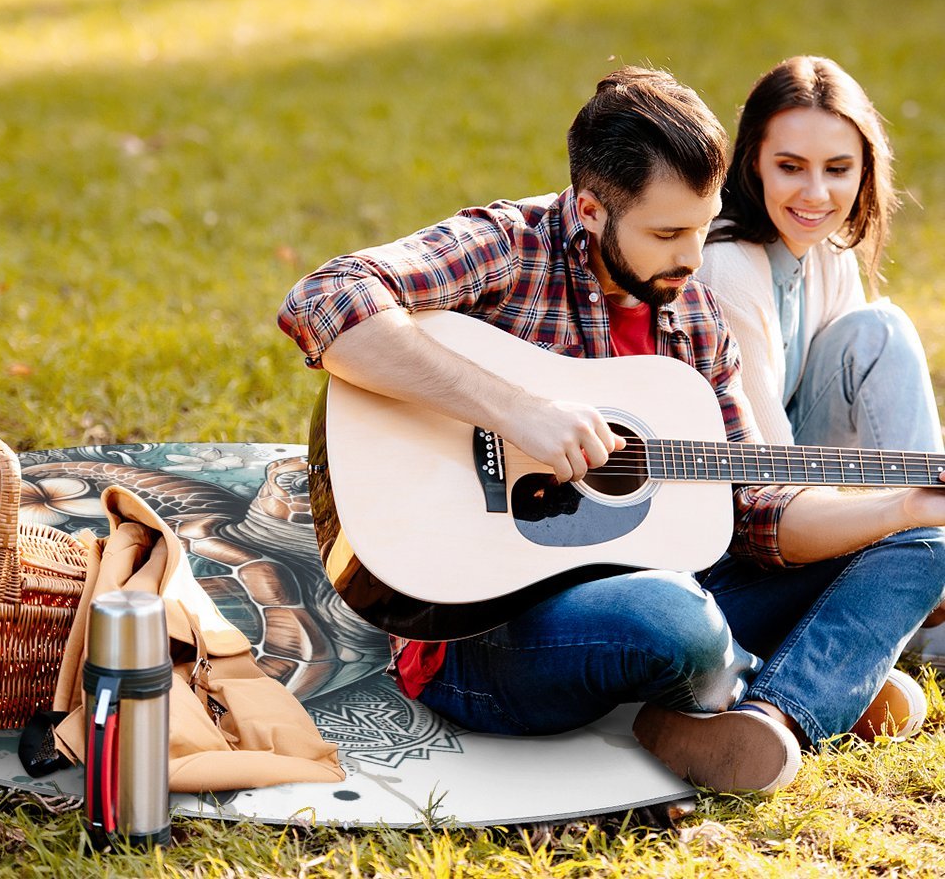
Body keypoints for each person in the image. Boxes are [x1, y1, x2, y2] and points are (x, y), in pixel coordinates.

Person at [278, 66, 945, 795]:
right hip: (482, 634)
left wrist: (902, 507)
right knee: (673, 620)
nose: (693, 259)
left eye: (702, 225)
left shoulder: (693, 315)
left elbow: (755, 508)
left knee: (925, 544)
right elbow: (325, 298)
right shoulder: (509, 246)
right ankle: (803, 674)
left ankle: (775, 715)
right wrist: (514, 410)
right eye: (667, 233)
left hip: (671, 587)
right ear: (591, 209)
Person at [698, 55, 945, 669]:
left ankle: (924, 571)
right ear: (752, 160)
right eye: (790, 167)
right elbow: (769, 481)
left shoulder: (827, 249)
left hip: (805, 487)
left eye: (838, 169)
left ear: (865, 171)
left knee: (876, 330)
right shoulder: (728, 264)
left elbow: (866, 417)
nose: (816, 194)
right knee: (882, 330)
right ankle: (921, 596)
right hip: (740, 525)